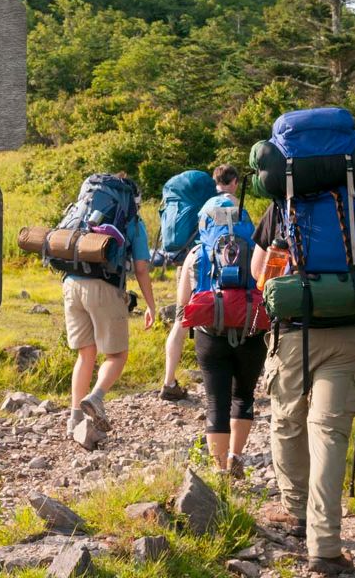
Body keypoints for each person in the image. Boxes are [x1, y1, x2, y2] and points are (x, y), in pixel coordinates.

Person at [249, 199, 355, 575]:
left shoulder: (281, 208)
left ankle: (296, 510)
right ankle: (326, 546)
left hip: (292, 336)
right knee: (330, 435)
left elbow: (257, 273)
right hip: (348, 335)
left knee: (287, 421)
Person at [165, 198, 267, 477]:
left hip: (210, 335)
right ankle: (235, 456)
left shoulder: (197, 253)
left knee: (215, 402)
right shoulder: (258, 249)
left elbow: (183, 303)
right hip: (252, 330)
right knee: (244, 397)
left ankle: (219, 470)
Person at [64, 175, 156, 440]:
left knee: (85, 354)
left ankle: (74, 420)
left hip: (70, 283)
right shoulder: (132, 222)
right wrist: (150, 305)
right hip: (103, 286)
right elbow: (140, 268)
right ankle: (96, 397)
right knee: (116, 355)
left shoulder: (83, 212)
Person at [160, 164, 242, 401]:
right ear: (235, 181)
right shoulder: (233, 205)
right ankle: (227, 381)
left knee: (181, 320)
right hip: (221, 269)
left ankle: (168, 381)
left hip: (190, 261)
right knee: (227, 318)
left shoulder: (205, 204)